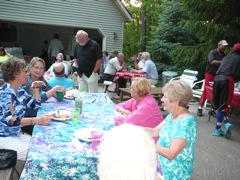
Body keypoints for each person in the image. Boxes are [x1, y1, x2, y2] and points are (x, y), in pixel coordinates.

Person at [0, 57, 51, 161]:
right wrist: (37, 120)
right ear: (16, 73)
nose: (27, 74)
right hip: (5, 138)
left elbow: (36, 104)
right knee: (40, 153)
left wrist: (35, 88)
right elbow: (11, 121)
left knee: (45, 145)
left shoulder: (19, 90)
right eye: (24, 71)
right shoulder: (5, 94)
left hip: (16, 133)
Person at [146, 80, 197, 179]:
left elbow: (171, 154)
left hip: (173, 172)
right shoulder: (172, 115)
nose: (161, 99)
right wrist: (133, 129)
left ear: (175, 101)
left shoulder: (186, 123)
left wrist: (147, 143)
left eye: (165, 97)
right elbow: (154, 131)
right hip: (160, 163)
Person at [22, 57, 65, 135]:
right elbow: (39, 99)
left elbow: (49, 89)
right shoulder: (27, 81)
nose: (38, 70)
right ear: (30, 67)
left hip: (38, 113)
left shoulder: (41, 79)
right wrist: (55, 89)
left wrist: (59, 92)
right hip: (29, 119)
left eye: (41, 68)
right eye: (36, 68)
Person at [114, 77, 163, 142]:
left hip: (152, 139)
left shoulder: (148, 105)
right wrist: (126, 111)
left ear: (137, 91)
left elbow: (128, 120)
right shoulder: (136, 99)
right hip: (143, 133)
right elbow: (118, 106)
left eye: (131, 88)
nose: (129, 89)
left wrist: (126, 115)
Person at [212, 43, 240, 139]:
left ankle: (224, 124)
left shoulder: (225, 58)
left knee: (219, 105)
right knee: (224, 106)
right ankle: (219, 128)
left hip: (217, 79)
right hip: (227, 81)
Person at [197, 40, 229, 116]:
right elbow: (212, 61)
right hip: (210, 74)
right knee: (206, 90)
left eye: (226, 46)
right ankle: (200, 108)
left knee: (216, 92)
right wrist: (223, 62)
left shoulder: (224, 55)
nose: (225, 48)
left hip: (218, 75)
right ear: (219, 45)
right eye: (224, 46)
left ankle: (212, 110)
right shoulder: (212, 52)